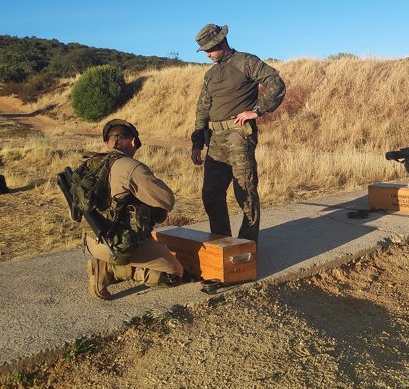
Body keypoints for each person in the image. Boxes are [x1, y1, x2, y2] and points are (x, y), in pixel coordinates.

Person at [191, 23, 285, 245]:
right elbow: (202, 108)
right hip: (214, 140)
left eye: (210, 49)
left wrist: (257, 110)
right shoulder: (210, 74)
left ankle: (247, 246)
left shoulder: (246, 61)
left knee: (245, 193)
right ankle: (222, 245)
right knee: (211, 194)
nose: (208, 54)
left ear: (221, 42)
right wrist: (197, 142)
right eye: (204, 50)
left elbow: (276, 83)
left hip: (238, 137)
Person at [85, 119, 183, 300]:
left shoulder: (89, 164)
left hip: (91, 240)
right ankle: (112, 269)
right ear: (130, 141)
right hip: (120, 245)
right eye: (136, 142)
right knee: (175, 274)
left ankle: (103, 261)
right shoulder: (131, 167)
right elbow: (167, 200)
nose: (135, 146)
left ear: (107, 142)